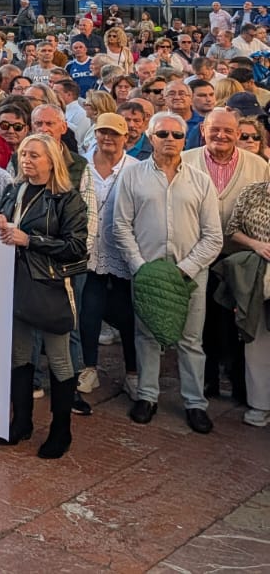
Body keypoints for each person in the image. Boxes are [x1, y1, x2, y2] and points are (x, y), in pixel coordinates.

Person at [112, 111, 224, 431]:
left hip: (190, 274)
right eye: (163, 134)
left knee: (191, 340)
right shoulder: (133, 177)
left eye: (177, 135)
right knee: (146, 336)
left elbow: (213, 235)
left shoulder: (200, 180)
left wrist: (186, 269)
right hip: (147, 271)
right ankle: (147, 396)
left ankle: (194, 403)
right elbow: (120, 225)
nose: (170, 140)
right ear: (150, 137)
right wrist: (141, 268)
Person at [0, 133, 88, 458]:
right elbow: (3, 225)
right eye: (23, 154)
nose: (27, 160)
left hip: (50, 285)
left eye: (34, 155)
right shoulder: (13, 189)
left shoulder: (67, 198)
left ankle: (61, 431)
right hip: (15, 282)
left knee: (59, 359)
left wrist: (31, 240)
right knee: (20, 356)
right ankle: (21, 422)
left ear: (51, 161)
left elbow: (76, 248)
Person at [182, 107, 269, 402]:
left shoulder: (258, 165)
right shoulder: (185, 161)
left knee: (237, 322)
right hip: (196, 255)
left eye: (228, 131)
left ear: (237, 133)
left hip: (239, 257)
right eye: (215, 129)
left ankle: (238, 382)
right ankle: (205, 382)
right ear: (203, 130)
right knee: (200, 321)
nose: (221, 135)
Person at [82, 112, 141, 403]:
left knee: (128, 315)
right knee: (88, 310)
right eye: (103, 132)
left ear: (125, 137)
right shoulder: (82, 164)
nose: (108, 138)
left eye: (114, 133)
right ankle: (88, 367)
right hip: (89, 251)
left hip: (123, 251)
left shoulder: (136, 168)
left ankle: (132, 373)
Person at [220, 180, 270, 427]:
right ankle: (260, 405)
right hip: (257, 278)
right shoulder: (254, 192)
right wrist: (256, 245)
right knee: (257, 341)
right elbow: (233, 229)